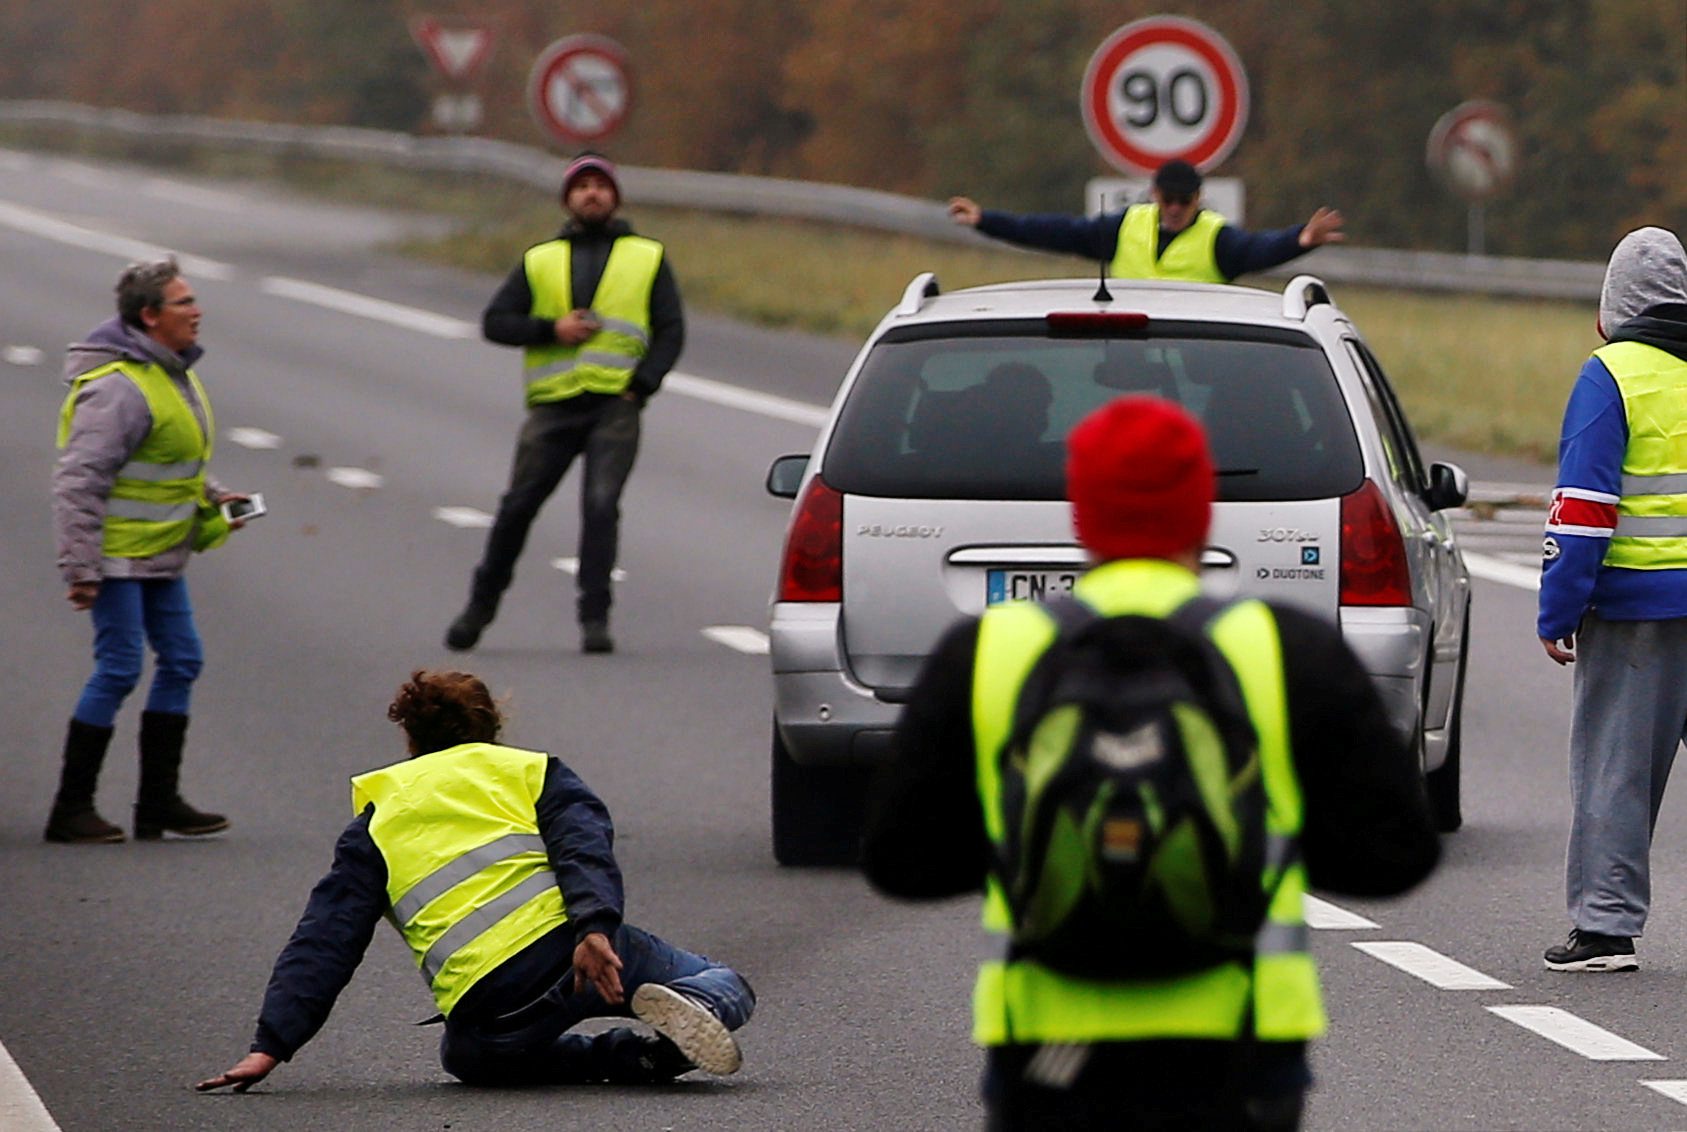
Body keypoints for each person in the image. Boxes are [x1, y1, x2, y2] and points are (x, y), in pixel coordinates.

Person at [862, 396, 1439, 1130]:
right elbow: (1395, 857)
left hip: (1049, 1041)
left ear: (1082, 514)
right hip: (1238, 1043)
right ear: (1201, 511)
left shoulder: (987, 654)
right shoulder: (1283, 648)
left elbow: (900, 863)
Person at [196, 669, 754, 1093]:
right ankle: (680, 1024)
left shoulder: (377, 820)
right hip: (577, 952)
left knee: (467, 1059)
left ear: (409, 740)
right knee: (724, 984)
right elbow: (583, 850)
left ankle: (619, 1059)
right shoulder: (530, 773)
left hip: (490, 1002)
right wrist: (594, 928)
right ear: (493, 728)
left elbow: (326, 939)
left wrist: (272, 1043)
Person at [445, 152, 685, 656]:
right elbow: (495, 321)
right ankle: (480, 605)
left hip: (614, 406)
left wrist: (642, 385)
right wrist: (551, 329)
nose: (592, 193)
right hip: (554, 406)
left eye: (601, 185)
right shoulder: (540, 259)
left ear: (615, 197)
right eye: (582, 186)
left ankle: (594, 619)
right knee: (517, 507)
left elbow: (671, 330)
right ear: (567, 199)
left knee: (600, 506)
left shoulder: (647, 256)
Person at [47, 257, 246, 844]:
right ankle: (71, 808)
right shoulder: (117, 388)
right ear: (150, 315)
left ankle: (157, 802)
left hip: (162, 554)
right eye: (185, 302)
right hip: (116, 559)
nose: (197, 310)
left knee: (183, 662)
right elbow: (78, 481)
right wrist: (80, 568)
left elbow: (165, 460)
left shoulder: (170, 373)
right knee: (119, 669)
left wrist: (213, 495)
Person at [1537, 226, 1687, 973]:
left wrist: (1557, 607)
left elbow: (1584, 507)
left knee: (1614, 771)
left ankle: (1603, 929)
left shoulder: (1611, 375)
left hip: (1636, 613)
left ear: (1611, 306)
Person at [947, 159, 1345, 284]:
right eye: (1167, 199)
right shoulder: (1124, 227)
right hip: (1124, 362)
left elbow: (1258, 250)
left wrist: (1301, 239)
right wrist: (987, 220)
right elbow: (1054, 232)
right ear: (1155, 195)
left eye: (1183, 201)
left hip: (1196, 367)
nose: (1174, 208)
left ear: (1198, 200)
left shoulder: (1217, 239)